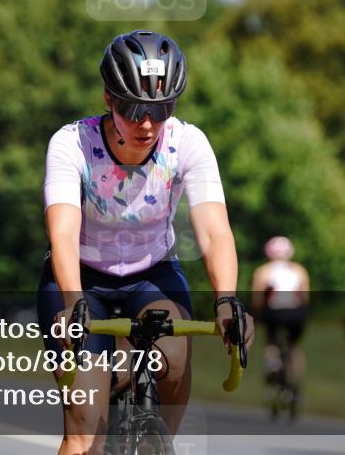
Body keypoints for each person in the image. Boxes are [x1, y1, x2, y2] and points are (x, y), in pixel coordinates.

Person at [37, 29, 254, 455]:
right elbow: (62, 229)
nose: (148, 123)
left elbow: (213, 229)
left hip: (151, 273)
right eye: (134, 108)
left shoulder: (187, 142)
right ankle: (106, 383)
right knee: (85, 436)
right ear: (108, 99)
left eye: (161, 108)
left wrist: (227, 299)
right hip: (80, 277)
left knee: (173, 359)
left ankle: (156, 443)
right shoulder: (71, 144)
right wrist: (71, 301)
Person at [251, 236, 309, 405]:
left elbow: (258, 297)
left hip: (274, 312)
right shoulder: (299, 270)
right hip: (295, 312)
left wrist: (256, 315)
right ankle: (296, 387)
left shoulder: (263, 270)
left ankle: (272, 362)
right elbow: (305, 297)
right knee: (294, 347)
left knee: (271, 340)